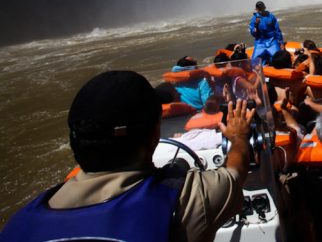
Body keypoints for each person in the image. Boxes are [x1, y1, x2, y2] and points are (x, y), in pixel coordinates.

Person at [0, 71, 254, 242]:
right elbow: (235, 172)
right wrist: (239, 136)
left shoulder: (17, 224)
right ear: (154, 134)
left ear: (74, 140)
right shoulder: (183, 200)